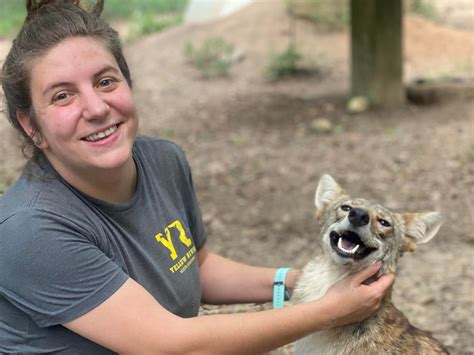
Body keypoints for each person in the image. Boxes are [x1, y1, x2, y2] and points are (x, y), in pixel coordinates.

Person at [0, 0, 395, 353]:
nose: (96, 107)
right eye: (62, 96)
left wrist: (298, 282)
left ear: (129, 85)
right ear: (31, 127)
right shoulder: (29, 230)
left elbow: (194, 267)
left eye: (105, 81)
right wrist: (328, 311)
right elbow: (172, 346)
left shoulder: (162, 160)